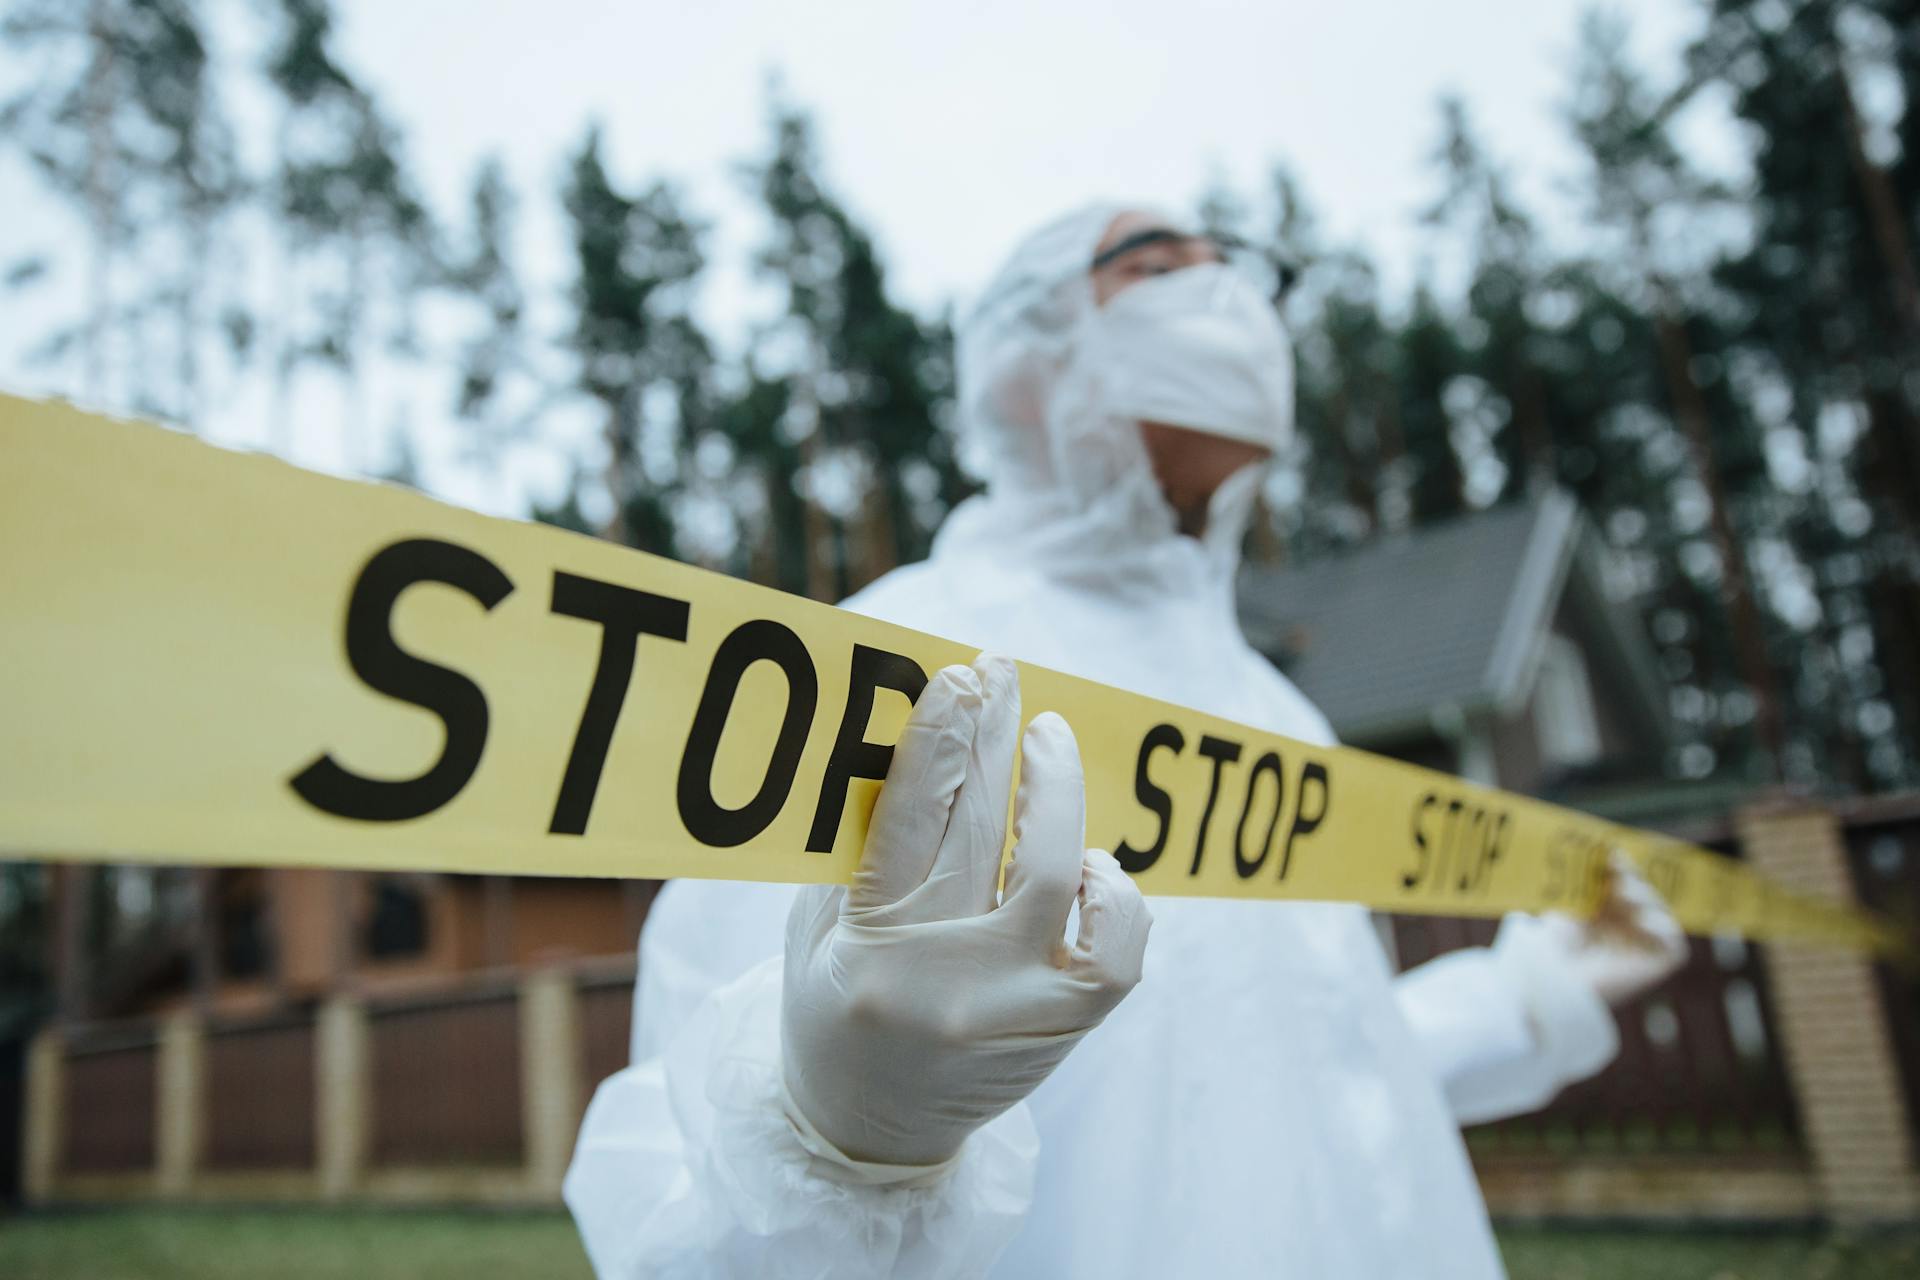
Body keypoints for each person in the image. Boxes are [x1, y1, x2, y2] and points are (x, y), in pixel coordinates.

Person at [564, 204, 1689, 1278]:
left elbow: (1308, 1075)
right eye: (1157, 266)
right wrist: (836, 1145)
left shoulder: (1277, 713)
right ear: (1019, 354)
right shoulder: (896, 660)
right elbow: (671, 1206)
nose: (1228, 300)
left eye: (1238, 270)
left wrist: (1532, 997)